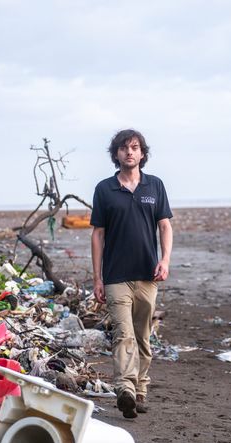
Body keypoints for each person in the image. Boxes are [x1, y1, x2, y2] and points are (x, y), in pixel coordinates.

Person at [90, 129, 173, 419]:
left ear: (142, 153)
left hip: (147, 275)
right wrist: (97, 277)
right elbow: (98, 235)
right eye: (124, 148)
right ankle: (124, 389)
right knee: (123, 334)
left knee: (142, 338)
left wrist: (165, 260)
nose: (129, 152)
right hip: (115, 277)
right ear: (116, 154)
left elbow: (164, 226)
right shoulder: (104, 189)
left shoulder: (155, 186)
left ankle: (140, 390)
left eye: (135, 147)